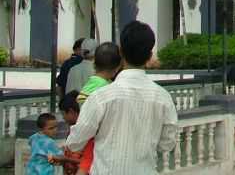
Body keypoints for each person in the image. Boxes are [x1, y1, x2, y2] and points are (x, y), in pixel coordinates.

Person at [66, 21, 177, 175]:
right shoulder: (163, 98)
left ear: (121, 52)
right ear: (150, 56)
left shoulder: (101, 97)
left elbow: (75, 142)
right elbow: (167, 143)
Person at [74, 42, 121, 175]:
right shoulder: (107, 89)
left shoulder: (91, 84)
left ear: (94, 63)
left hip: (90, 136)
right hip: (99, 138)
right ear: (117, 67)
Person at [58, 92, 82, 175]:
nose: (63, 117)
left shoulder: (85, 132)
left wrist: (65, 159)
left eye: (63, 114)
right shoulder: (71, 130)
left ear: (71, 111)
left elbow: (88, 162)